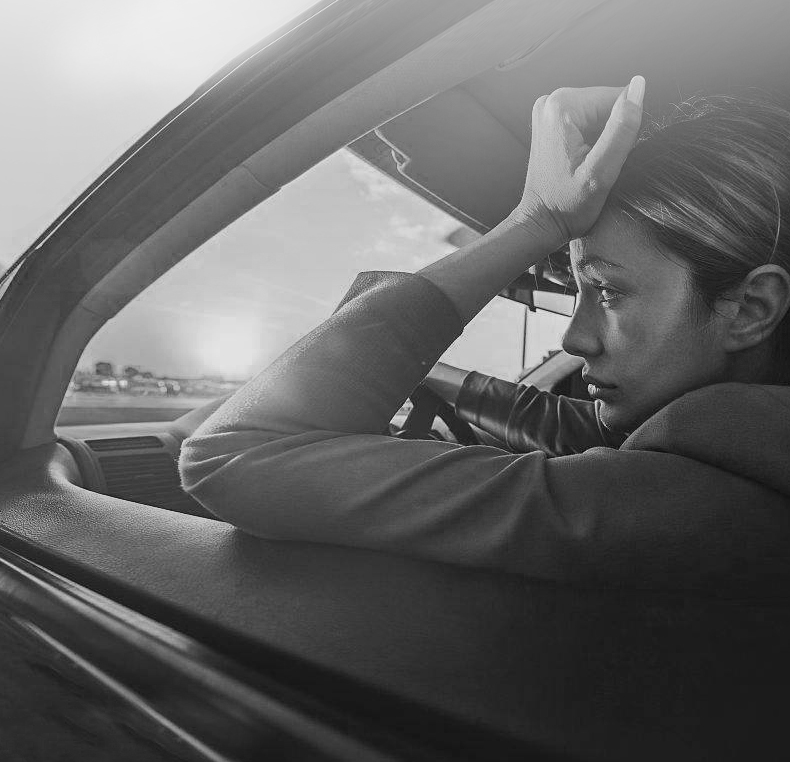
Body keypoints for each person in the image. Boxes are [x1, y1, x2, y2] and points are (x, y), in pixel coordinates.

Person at [178, 78, 790, 591]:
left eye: (607, 292)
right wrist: (431, 370)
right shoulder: (744, 444)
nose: (574, 340)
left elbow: (235, 453)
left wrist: (537, 220)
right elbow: (564, 425)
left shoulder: (676, 505)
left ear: (750, 309)